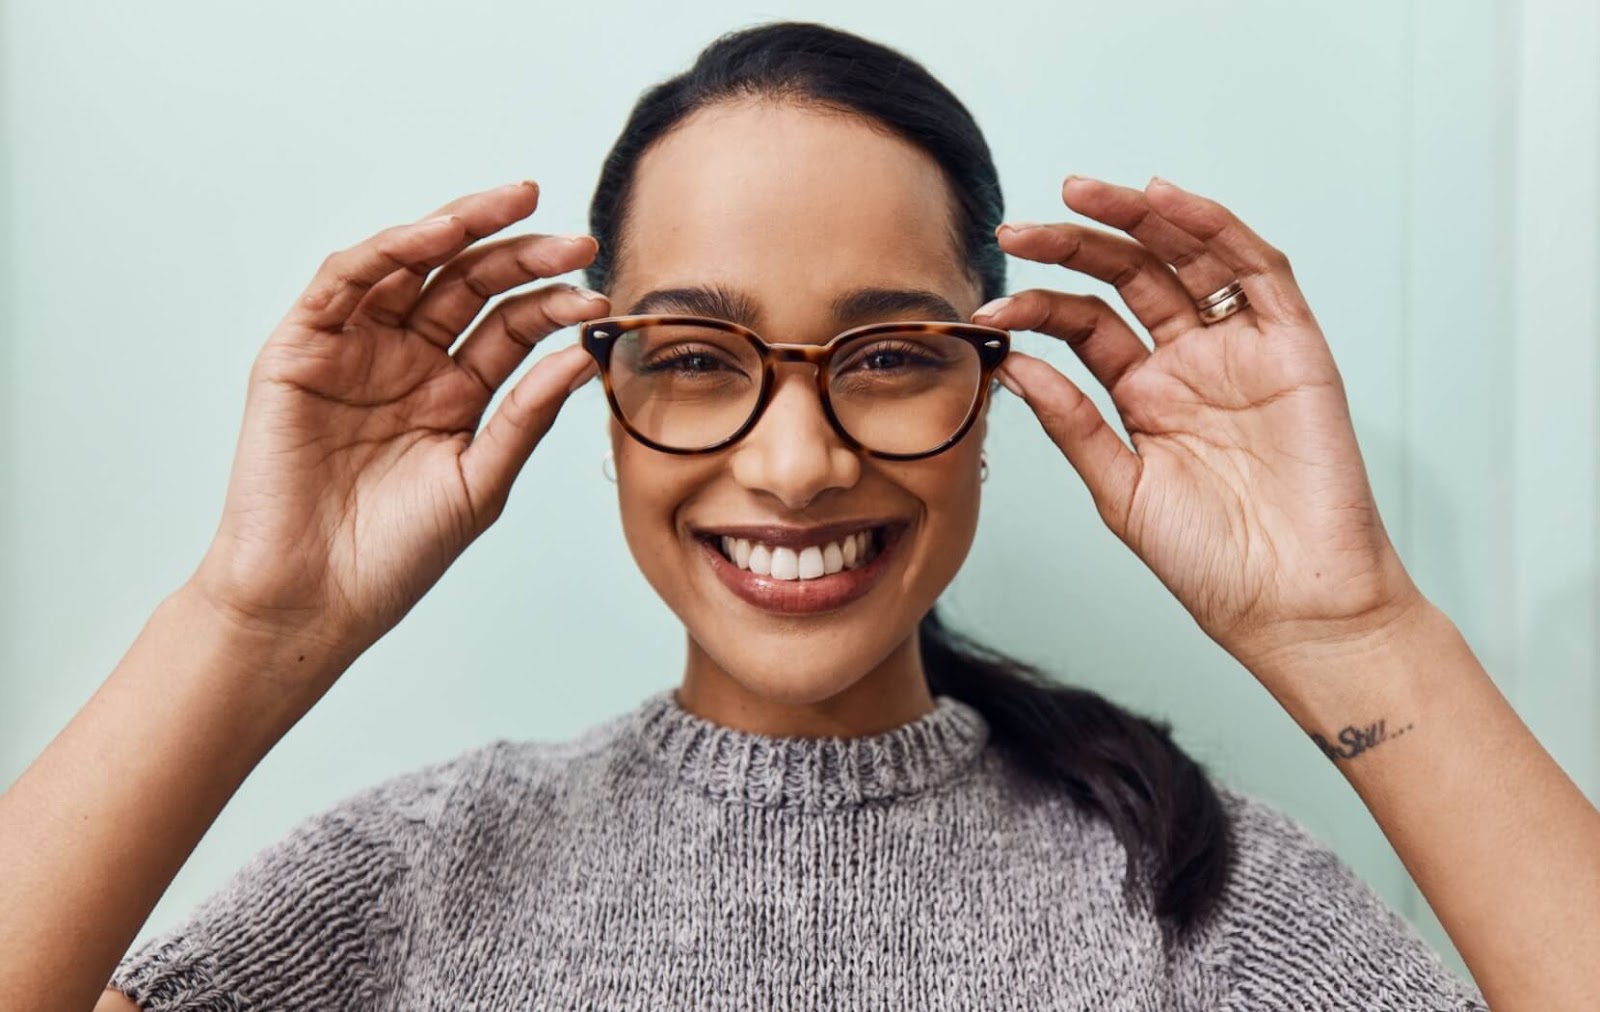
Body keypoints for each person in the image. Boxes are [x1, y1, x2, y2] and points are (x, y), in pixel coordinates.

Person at [3, 19, 1596, 1012]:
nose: (794, 463)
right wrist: (252, 620)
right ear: (593, 388)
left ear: (999, 384)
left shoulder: (1201, 903)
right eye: (697, 360)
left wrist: (1353, 625)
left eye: (892, 356)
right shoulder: (423, 879)